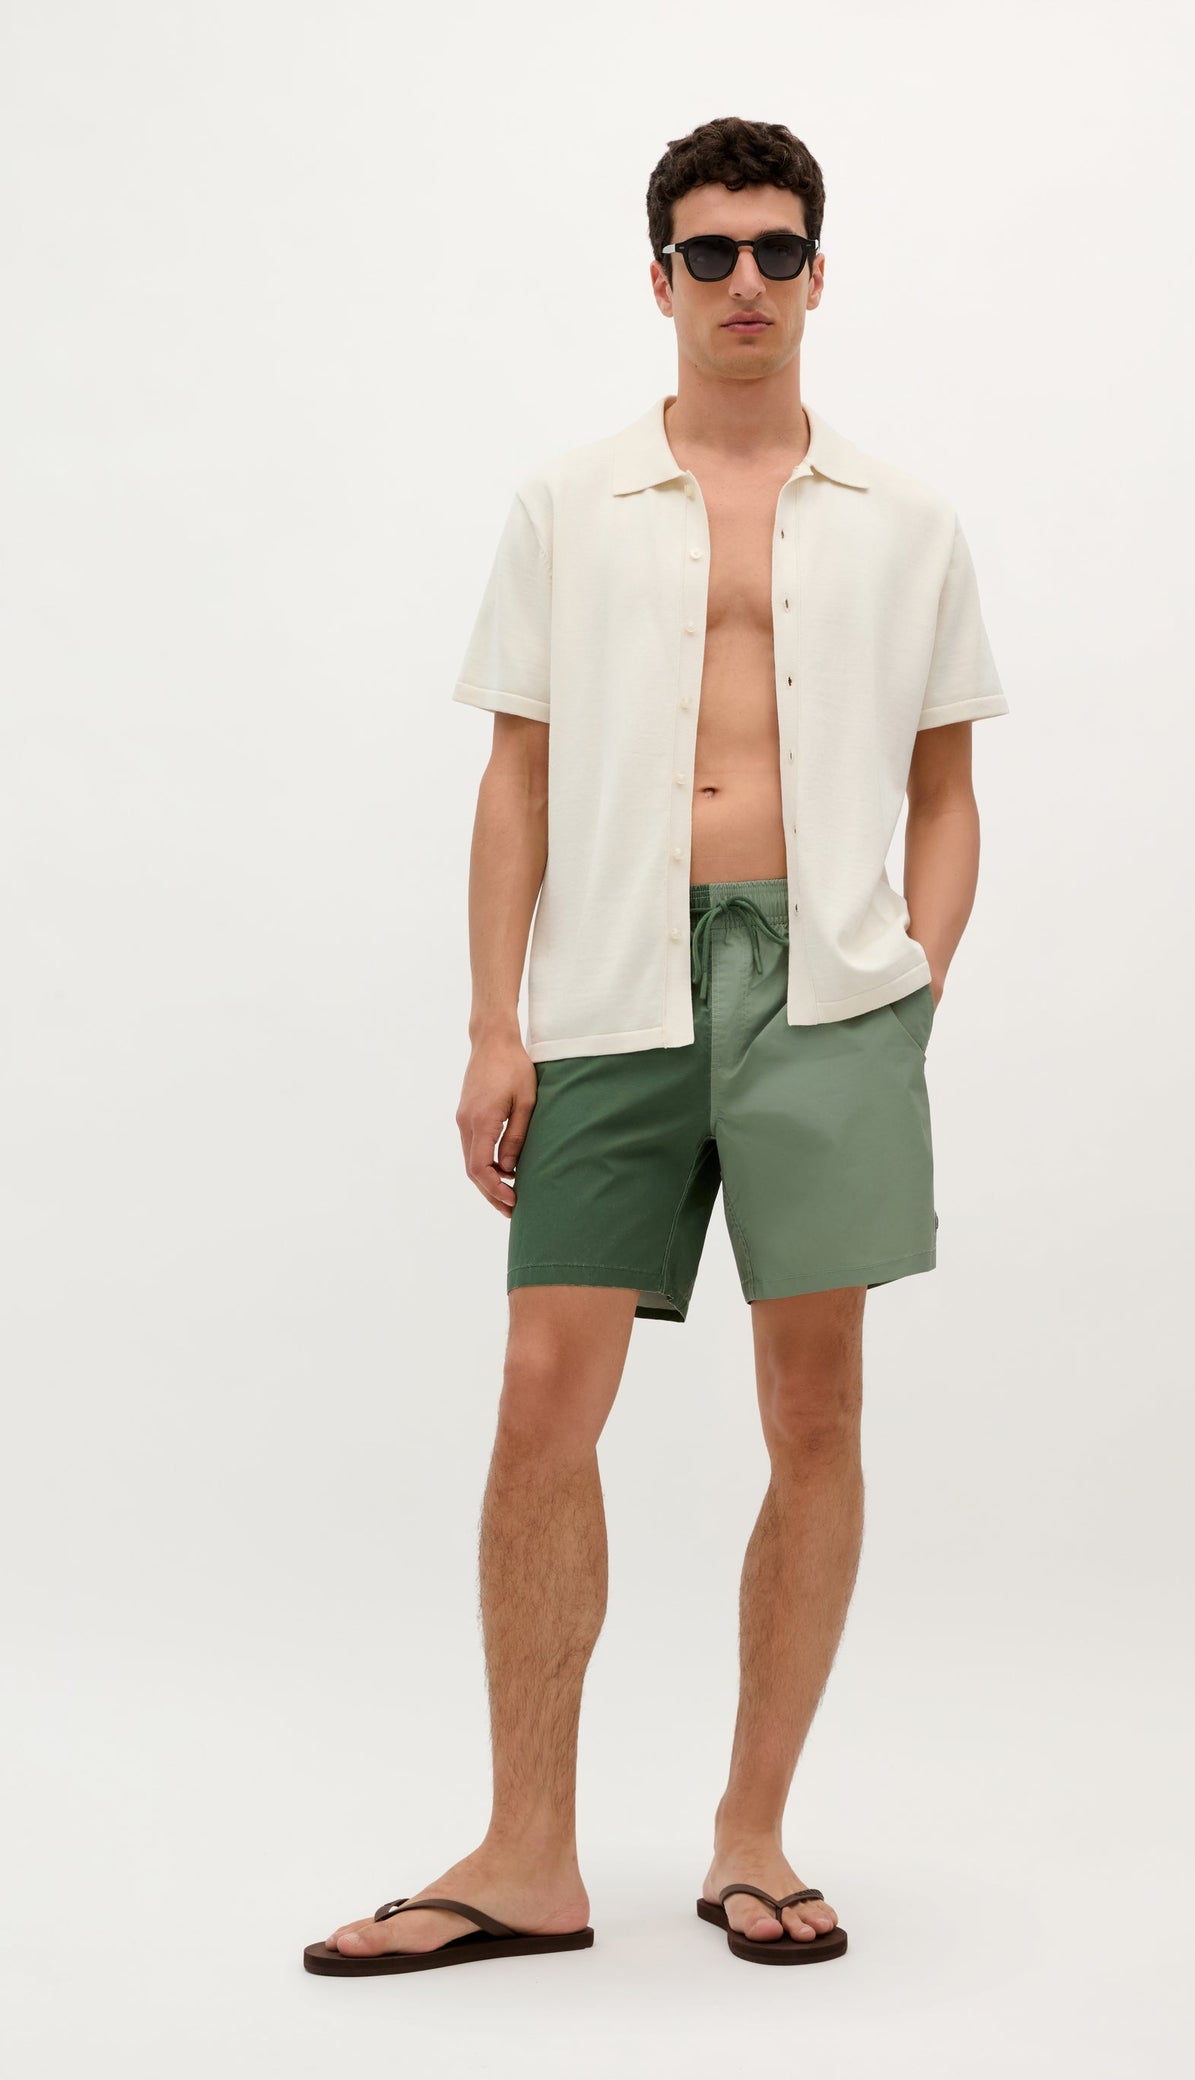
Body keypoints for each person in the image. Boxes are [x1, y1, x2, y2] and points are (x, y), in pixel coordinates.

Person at [303, 113, 1007, 1978]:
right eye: (711, 252)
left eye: (776, 250)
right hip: (612, 984)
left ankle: (751, 1832)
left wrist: (911, 984)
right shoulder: (569, 503)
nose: (744, 281)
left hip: (827, 995)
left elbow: (947, 789)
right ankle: (525, 1854)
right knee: (544, 1388)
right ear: (660, 278)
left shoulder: (908, 518)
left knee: (815, 1407)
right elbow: (515, 776)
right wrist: (491, 1021)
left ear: (819, 274)